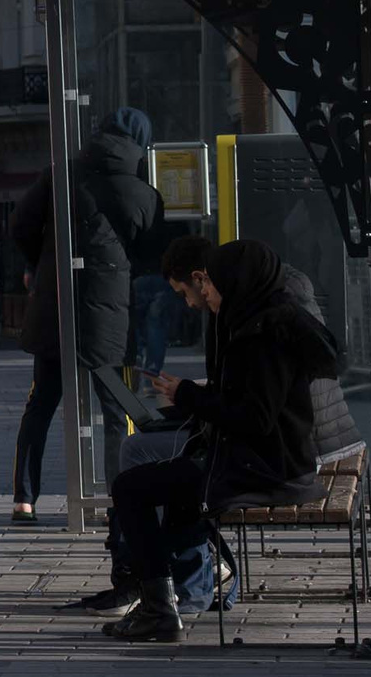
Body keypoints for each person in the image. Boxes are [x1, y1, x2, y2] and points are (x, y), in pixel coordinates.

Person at [99, 238, 342, 642]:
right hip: (269, 462)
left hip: (266, 471)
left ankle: (161, 605)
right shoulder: (264, 320)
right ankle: (172, 594)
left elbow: (254, 418)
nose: (204, 294)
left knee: (131, 487)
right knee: (168, 479)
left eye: (210, 284)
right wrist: (189, 398)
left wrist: (189, 396)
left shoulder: (261, 333)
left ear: (234, 281)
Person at [6, 108, 165, 527]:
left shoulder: (59, 174)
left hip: (55, 306)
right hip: (109, 318)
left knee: (40, 403)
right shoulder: (143, 192)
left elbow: (20, 225)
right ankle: (121, 496)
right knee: (117, 409)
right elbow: (151, 254)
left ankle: (24, 498)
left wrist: (41, 264)